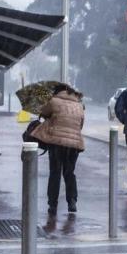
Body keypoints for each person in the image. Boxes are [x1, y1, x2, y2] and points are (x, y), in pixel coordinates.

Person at [30, 85, 85, 216]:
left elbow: (43, 113)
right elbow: (81, 125)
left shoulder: (54, 101)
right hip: (74, 144)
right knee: (69, 172)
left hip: (57, 143)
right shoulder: (79, 105)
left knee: (55, 172)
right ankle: (72, 201)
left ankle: (52, 205)